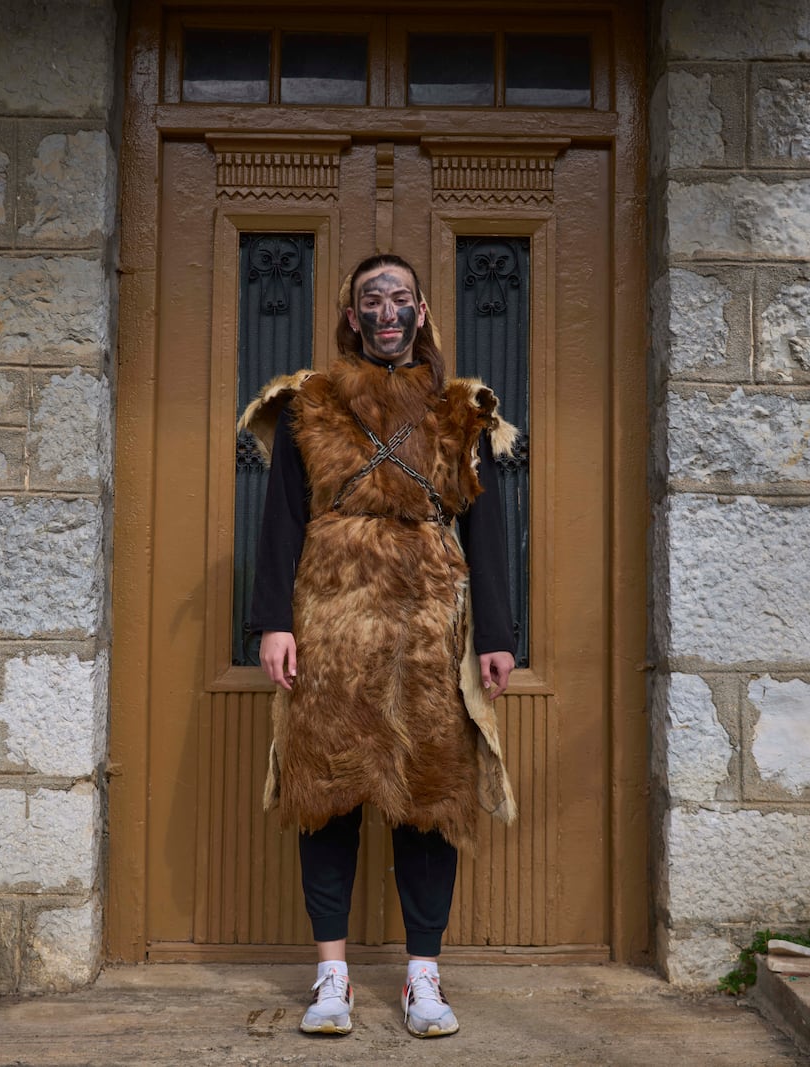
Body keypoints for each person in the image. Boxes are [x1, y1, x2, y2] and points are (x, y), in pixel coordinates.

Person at [239, 252, 519, 1039]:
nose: (388, 310)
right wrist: (274, 623)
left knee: (429, 798)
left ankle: (422, 978)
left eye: (401, 297)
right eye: (373, 298)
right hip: (330, 622)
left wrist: (497, 634)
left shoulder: (461, 408)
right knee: (325, 795)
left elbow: (487, 525)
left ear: (423, 312)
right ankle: (332, 977)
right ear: (352, 314)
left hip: (430, 626)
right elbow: (282, 518)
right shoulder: (313, 404)